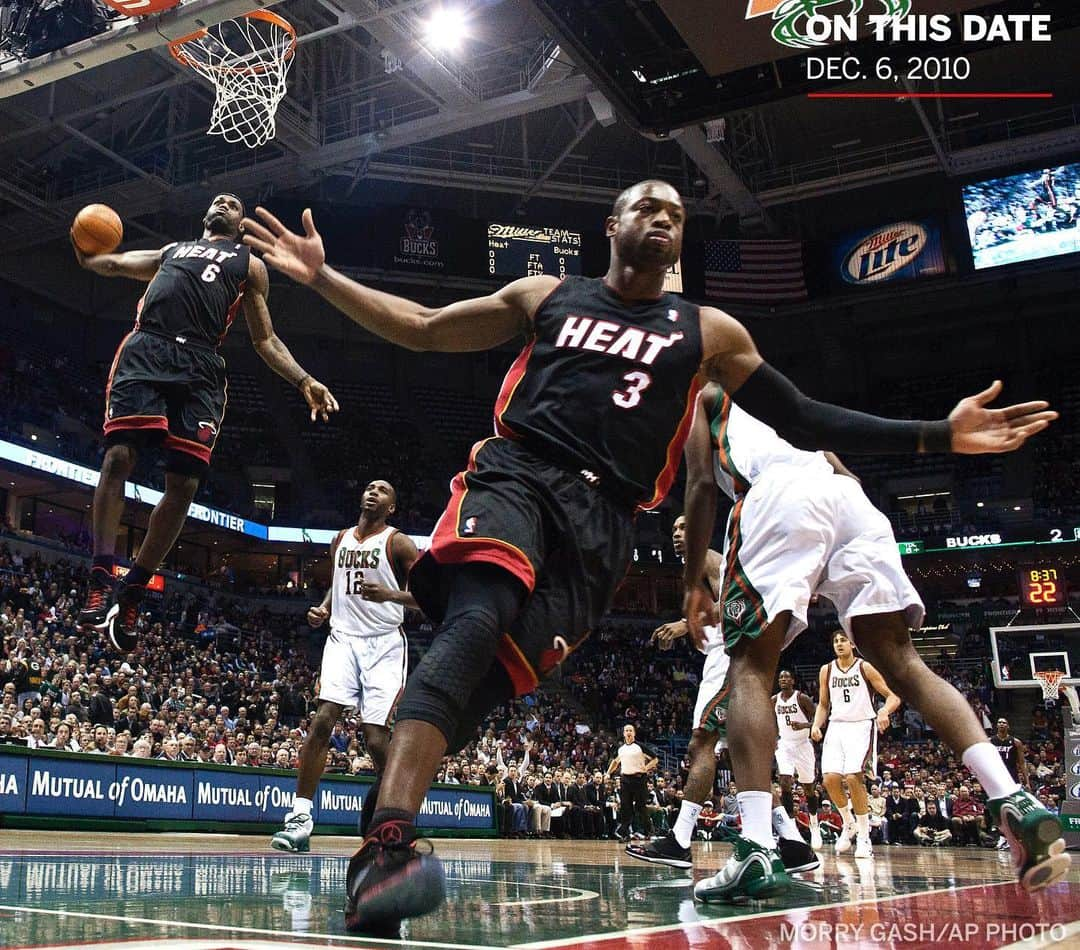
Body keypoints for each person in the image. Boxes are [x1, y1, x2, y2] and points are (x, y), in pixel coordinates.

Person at [243, 179, 1058, 931]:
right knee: (477, 614)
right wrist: (322, 279)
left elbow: (804, 416)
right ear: (613, 226)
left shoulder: (711, 334)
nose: (664, 216)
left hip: (606, 521)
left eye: (676, 211)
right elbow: (421, 328)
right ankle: (390, 840)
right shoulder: (548, 296)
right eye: (647, 206)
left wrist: (936, 434)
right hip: (520, 473)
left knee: (492, 682)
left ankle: (381, 825)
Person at [681, 382, 1067, 901]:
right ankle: (1011, 796)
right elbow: (843, 471)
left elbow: (702, 486)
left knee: (749, 668)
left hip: (774, 496)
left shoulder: (701, 397)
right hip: (848, 500)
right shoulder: (773, 393)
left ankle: (754, 844)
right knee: (905, 662)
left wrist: (690, 583)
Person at [72, 193, 337, 651]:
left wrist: (304, 380)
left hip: (200, 366)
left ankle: (135, 587)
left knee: (185, 487)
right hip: (147, 350)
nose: (225, 202)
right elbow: (113, 264)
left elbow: (266, 340)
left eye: (234, 203)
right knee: (118, 457)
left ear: (239, 224)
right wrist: (87, 251)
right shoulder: (171, 251)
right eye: (219, 199)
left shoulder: (249, 265)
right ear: (205, 214)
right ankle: (100, 573)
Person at [272, 480, 418, 853]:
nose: (373, 492)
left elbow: (427, 598)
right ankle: (300, 818)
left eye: (384, 490)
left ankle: (390, 817)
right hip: (342, 639)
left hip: (384, 644)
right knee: (322, 720)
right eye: (370, 487)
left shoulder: (399, 543)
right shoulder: (340, 539)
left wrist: (389, 595)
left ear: (392, 507)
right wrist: (325, 608)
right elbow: (338, 584)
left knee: (374, 738)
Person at [813, 631, 899, 861]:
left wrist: (883, 711)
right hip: (836, 726)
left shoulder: (865, 667)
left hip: (861, 725)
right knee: (829, 779)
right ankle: (848, 823)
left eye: (843, 640)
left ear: (852, 644)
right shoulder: (827, 670)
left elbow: (892, 697)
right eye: (836, 641)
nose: (839, 644)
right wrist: (816, 725)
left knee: (853, 777)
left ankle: (864, 835)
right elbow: (823, 704)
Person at [773, 670, 822, 849]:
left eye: (786, 677)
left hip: (803, 744)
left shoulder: (802, 698)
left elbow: (819, 720)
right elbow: (770, 721)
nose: (783, 680)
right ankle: (791, 827)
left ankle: (814, 824)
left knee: (808, 788)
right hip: (784, 744)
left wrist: (804, 725)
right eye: (781, 677)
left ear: (793, 680)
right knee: (785, 780)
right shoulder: (774, 700)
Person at [607, 723, 657, 840]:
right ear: (624, 734)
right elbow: (615, 762)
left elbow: (655, 759)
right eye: (626, 731)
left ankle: (649, 831)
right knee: (625, 806)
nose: (628, 732)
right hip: (625, 779)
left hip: (639, 779)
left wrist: (646, 767)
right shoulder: (621, 749)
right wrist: (608, 773)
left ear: (634, 733)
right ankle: (625, 834)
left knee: (640, 807)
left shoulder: (640, 747)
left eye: (630, 730)